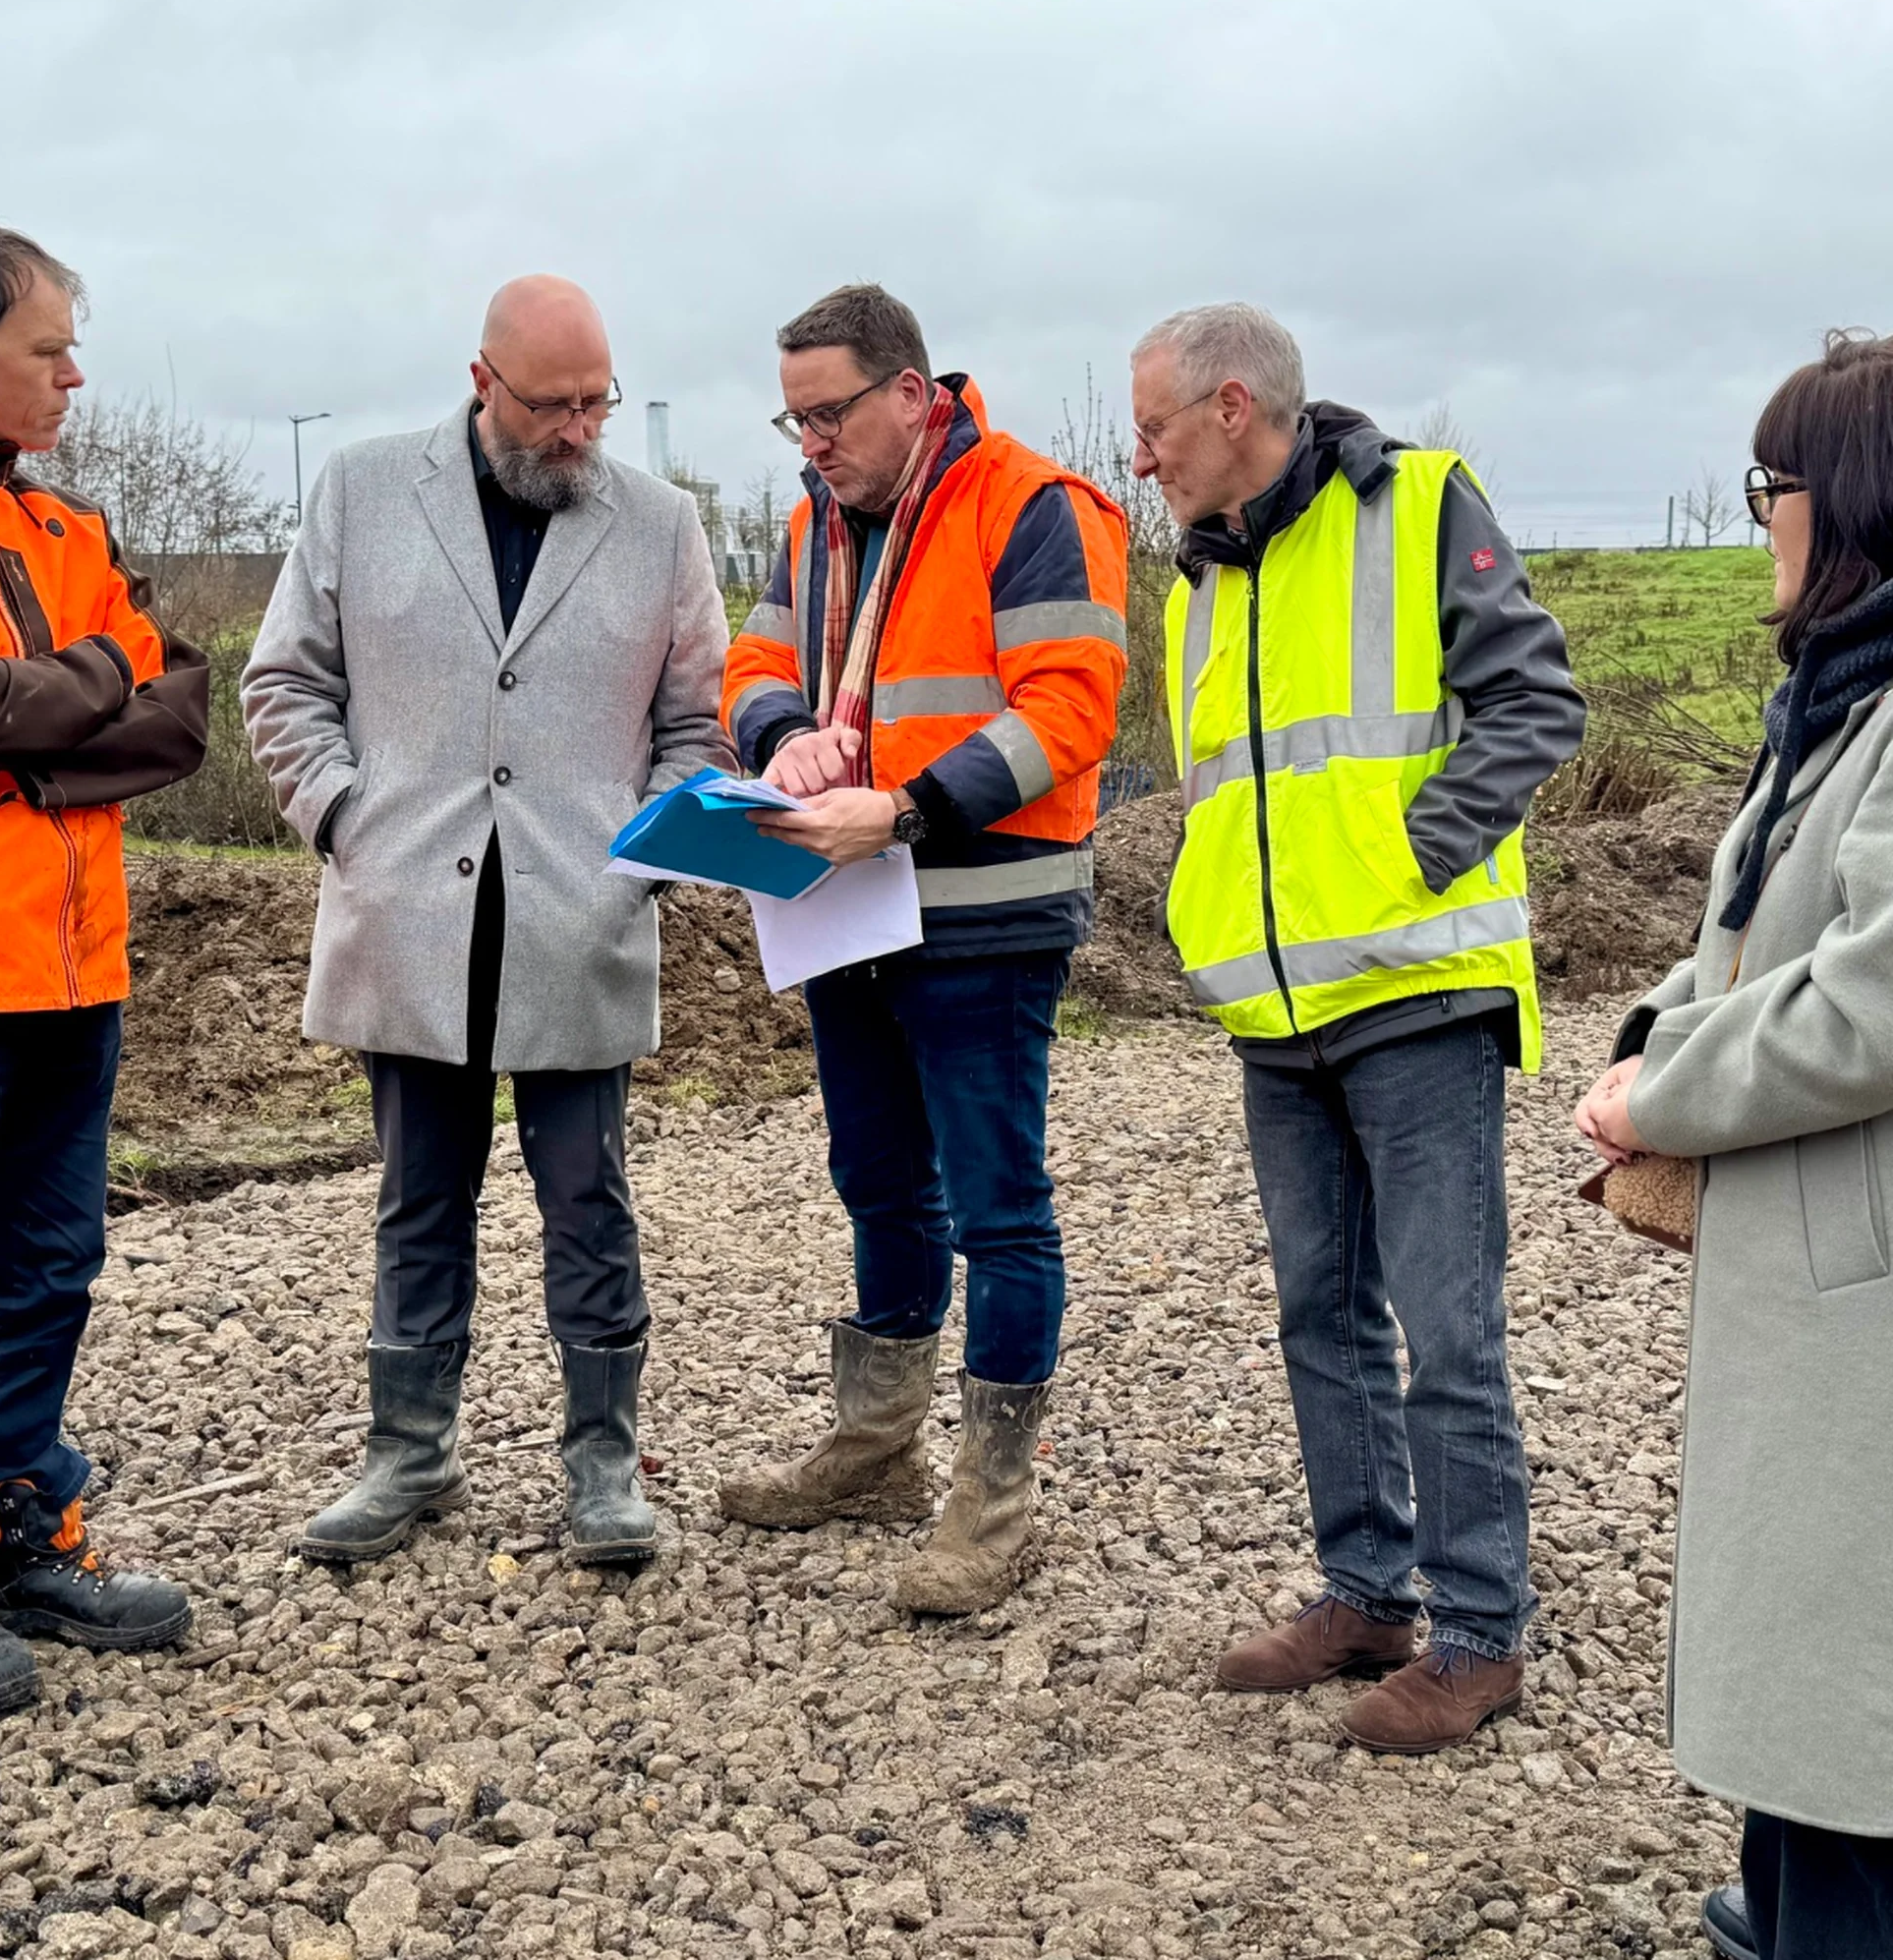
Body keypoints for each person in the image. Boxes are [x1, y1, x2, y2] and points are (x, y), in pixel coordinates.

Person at [1136, 304, 1584, 1753]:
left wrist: (1419, 850)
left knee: (1448, 1332)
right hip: (1278, 1011)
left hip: (1416, 993)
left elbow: (1534, 699)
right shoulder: (1195, 580)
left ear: (1232, 407)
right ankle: (1365, 1593)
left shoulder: (1425, 506)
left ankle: (1477, 1634)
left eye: (1153, 429)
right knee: (1320, 1318)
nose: (1141, 458)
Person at [242, 276, 730, 1570]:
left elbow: (697, 724)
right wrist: (345, 817)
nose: (580, 429)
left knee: (589, 1200)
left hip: (581, 921)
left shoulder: (662, 525)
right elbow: (284, 678)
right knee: (418, 1200)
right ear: (483, 383)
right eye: (554, 404)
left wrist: (643, 859)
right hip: (408, 919)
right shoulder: (359, 489)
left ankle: (603, 1466)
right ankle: (407, 1455)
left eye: (597, 402)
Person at [717, 283, 1127, 1616]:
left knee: (999, 1205)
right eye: (793, 420)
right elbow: (754, 663)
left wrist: (901, 807)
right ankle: (881, 1450)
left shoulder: (1033, 505)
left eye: (827, 413)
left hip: (983, 909)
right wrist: (783, 736)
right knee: (878, 1179)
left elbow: (1070, 708)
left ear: (912, 393)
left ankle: (995, 1505)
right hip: (845, 904)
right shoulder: (815, 523)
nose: (810, 442)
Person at [1578, 330, 1893, 1960]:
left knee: (1852, 1665)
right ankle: (1789, 1898)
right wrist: (1658, 1027)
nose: (1757, 513)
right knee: (1816, 1656)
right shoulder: (1840, 699)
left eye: (1772, 482)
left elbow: (1874, 1003)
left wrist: (1662, 1093)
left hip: (1864, 1284)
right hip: (1819, 1264)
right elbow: (1763, 936)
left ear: (1843, 501)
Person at [0, 227, 208, 1717]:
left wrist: (40, 740)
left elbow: (182, 712)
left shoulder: (67, 525)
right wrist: (74, 704)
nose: (73, 376)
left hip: (76, 970)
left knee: (50, 1275)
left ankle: (15, 1535)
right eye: (45, 350)